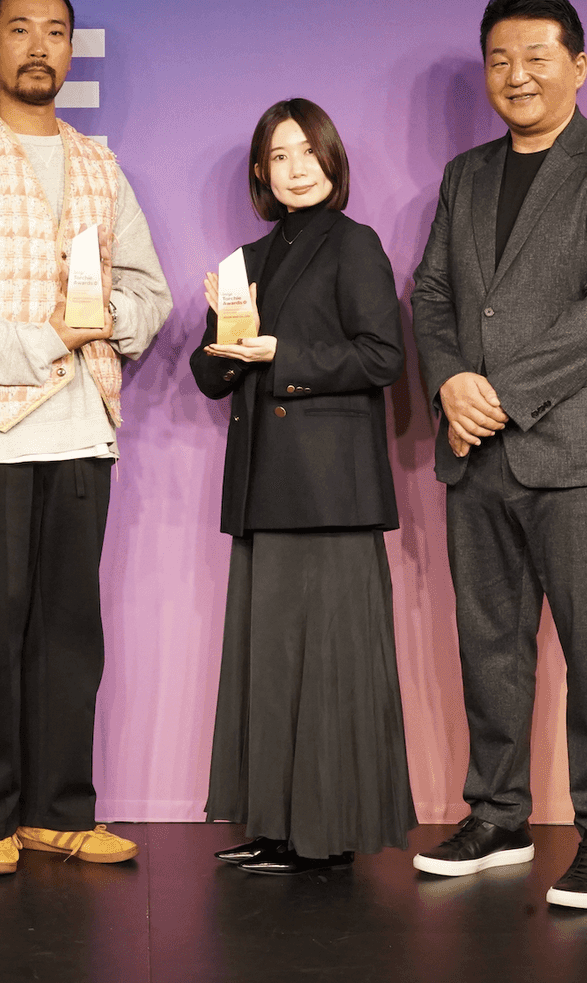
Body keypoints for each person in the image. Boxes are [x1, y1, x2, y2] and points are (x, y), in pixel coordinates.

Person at [0, 0, 173, 877]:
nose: (39, 47)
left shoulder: (99, 164)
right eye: (20, 30)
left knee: (69, 632)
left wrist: (107, 322)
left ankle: (59, 813)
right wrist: (48, 339)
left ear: (71, 51)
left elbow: (149, 292)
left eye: (55, 32)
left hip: (82, 428)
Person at [409, 0, 587, 909]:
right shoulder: (465, 175)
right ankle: (498, 817)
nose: (516, 76)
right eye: (500, 60)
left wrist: (499, 396)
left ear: (577, 66)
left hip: (584, 453)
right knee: (490, 648)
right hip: (476, 452)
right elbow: (431, 293)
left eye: (536, 58)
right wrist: (449, 381)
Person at [188, 98, 416, 875]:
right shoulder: (244, 262)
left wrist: (280, 354)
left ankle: (327, 836)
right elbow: (210, 377)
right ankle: (278, 828)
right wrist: (226, 339)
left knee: (330, 663)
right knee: (273, 663)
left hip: (329, 492)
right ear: (261, 171)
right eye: (279, 156)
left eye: (308, 152)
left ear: (332, 159)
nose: (296, 169)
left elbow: (383, 357)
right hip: (263, 488)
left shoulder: (355, 245)